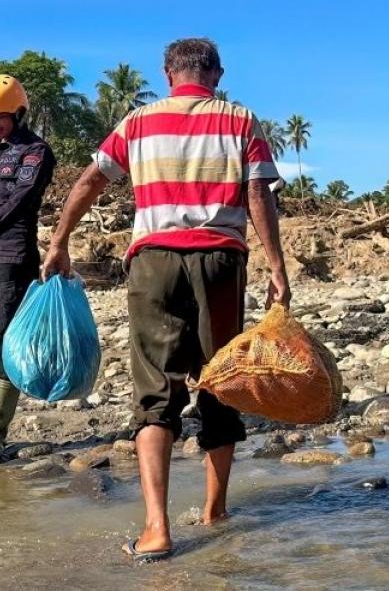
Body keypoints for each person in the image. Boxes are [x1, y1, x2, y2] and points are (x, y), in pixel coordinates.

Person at [42, 38, 290, 561]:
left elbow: (91, 180)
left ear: (166, 73)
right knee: (220, 380)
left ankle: (156, 530)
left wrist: (60, 240)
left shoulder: (138, 122)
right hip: (221, 261)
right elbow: (258, 193)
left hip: (153, 261)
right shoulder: (240, 119)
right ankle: (215, 510)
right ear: (217, 73)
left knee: (155, 392)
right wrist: (277, 267)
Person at [0, 76, 55, 454]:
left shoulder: (35, 151)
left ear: (18, 114)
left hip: (11, 256)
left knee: (4, 342)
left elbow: (19, 198)